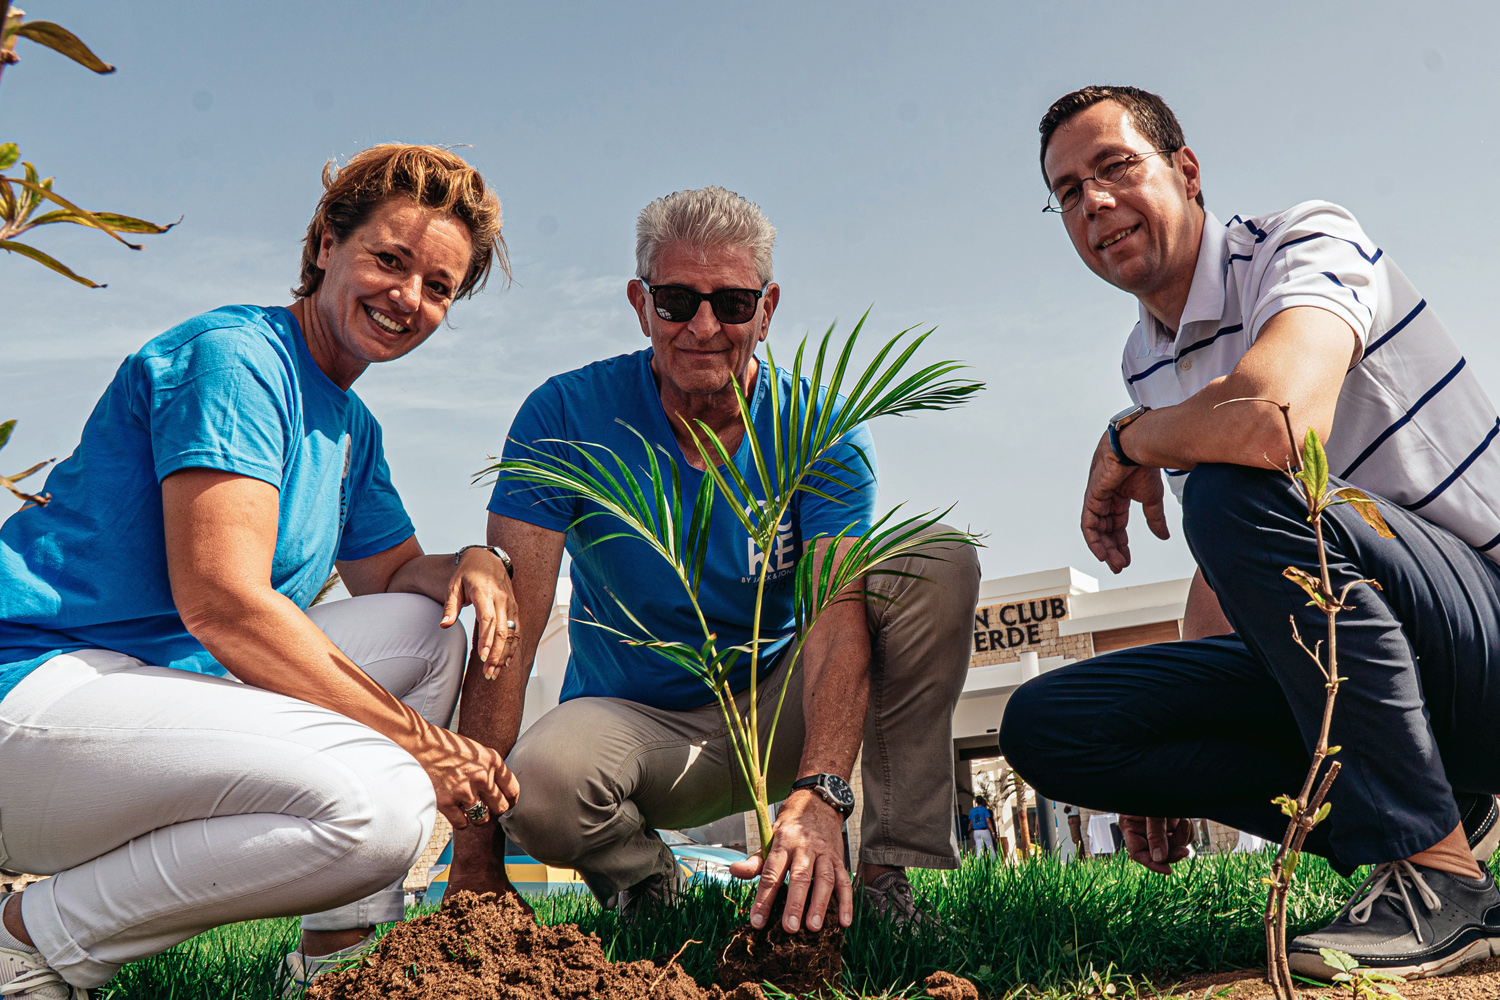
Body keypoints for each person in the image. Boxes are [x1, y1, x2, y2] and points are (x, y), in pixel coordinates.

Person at [998, 83, 1500, 981]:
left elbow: (1276, 424)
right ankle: (1437, 807)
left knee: (1238, 486)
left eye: (1115, 167)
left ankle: (1439, 878)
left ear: (1187, 172)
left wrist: (1127, 438)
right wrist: (1161, 754)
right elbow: (1234, 569)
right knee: (1047, 724)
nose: (1095, 202)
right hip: (1388, 657)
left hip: (1483, 634)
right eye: (1069, 192)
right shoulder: (1147, 356)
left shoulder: (1305, 239)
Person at [0, 144, 522, 999]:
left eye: (436, 286)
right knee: (382, 804)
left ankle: (343, 948)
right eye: (389, 260)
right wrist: (423, 747)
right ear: (326, 243)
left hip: (146, 694)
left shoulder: (350, 422)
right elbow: (225, 606)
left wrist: (476, 561)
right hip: (33, 692)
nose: (407, 299)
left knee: (429, 635)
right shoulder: (238, 360)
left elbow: (392, 576)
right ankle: (32, 941)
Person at [446, 185, 980, 936]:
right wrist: (475, 864)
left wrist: (822, 793)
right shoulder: (566, 416)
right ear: (640, 303)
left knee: (934, 562)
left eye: (731, 303)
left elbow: (836, 610)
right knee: (539, 786)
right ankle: (646, 886)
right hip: (636, 725)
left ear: (767, 309)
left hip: (777, 707)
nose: (703, 326)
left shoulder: (820, 428)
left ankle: (890, 880)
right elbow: (513, 627)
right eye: (676, 300)